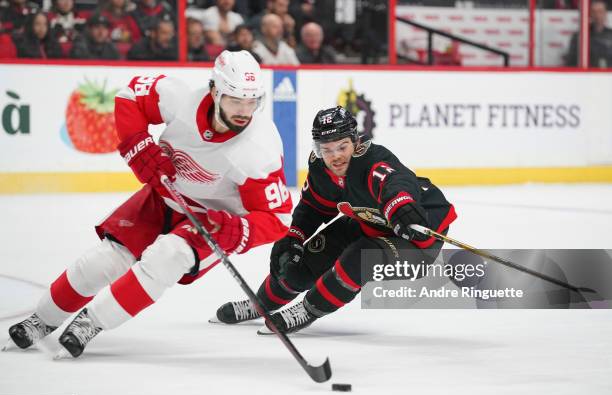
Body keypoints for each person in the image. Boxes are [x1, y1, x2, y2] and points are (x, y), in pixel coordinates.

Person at [5, 50, 292, 358]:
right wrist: (137, 144)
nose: (244, 111)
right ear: (214, 91)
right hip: (164, 197)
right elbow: (130, 96)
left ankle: (92, 322)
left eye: (252, 102)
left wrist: (238, 231)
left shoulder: (258, 147)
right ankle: (42, 319)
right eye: (236, 100)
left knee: (165, 258)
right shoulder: (181, 98)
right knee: (107, 259)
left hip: (213, 220)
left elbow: (276, 218)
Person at [211, 106, 457, 334]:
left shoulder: (373, 161)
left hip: (416, 243)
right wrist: (293, 237)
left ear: (356, 142)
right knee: (296, 265)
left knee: (361, 256)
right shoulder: (321, 169)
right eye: (326, 149)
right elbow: (311, 208)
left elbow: (396, 182)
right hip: (368, 225)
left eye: (342, 147)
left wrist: (401, 206)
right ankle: (260, 304)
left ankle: (307, 310)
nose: (335, 157)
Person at [566, 0, 612, 67]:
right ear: (590, 14)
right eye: (594, 12)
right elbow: (571, 62)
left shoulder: (610, 34)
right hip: (587, 75)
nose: (597, 15)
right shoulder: (579, 36)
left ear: (605, 14)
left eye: (600, 11)